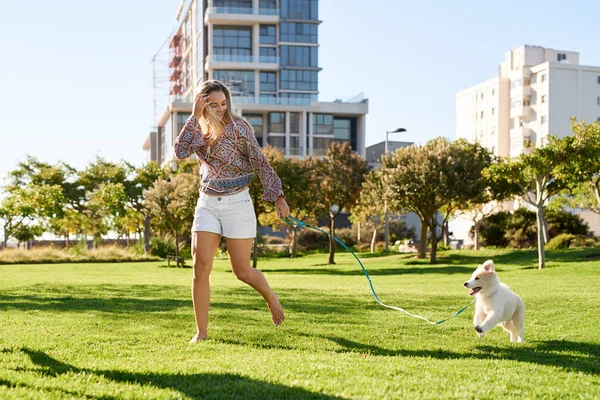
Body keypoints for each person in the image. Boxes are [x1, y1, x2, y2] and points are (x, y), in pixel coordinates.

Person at [173, 80, 290, 343]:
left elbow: (260, 162)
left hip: (238, 203)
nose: (220, 109)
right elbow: (179, 152)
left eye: (223, 103)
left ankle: (270, 297)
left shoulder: (239, 128)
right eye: (212, 104)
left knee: (242, 271)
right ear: (202, 103)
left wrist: (277, 195)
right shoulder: (198, 132)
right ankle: (201, 333)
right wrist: (193, 115)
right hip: (207, 203)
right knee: (200, 267)